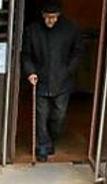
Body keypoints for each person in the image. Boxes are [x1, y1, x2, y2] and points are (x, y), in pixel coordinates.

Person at [22, 1, 83, 162]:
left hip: (62, 81)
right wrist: (30, 72)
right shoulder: (33, 30)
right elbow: (26, 55)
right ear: (42, 15)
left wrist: (68, 70)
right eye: (48, 17)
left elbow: (77, 52)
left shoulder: (70, 29)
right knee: (41, 115)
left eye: (54, 17)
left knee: (59, 115)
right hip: (41, 80)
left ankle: (50, 137)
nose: (51, 21)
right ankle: (42, 145)